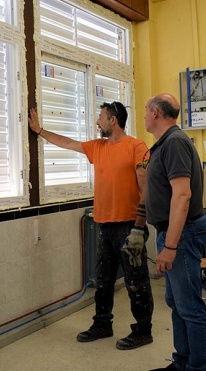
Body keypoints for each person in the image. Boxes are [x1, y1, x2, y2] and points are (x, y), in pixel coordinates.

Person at [28, 101, 154, 350]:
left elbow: (146, 188)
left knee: (136, 282)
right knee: (103, 281)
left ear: (113, 120)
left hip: (129, 226)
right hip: (104, 225)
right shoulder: (97, 147)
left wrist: (139, 228)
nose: (97, 122)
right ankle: (102, 324)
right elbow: (67, 143)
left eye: (101, 117)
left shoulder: (136, 146)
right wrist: (40, 131)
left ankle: (143, 331)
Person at [143, 94, 206, 371]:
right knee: (176, 302)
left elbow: (182, 196)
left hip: (181, 234)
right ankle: (181, 362)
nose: (145, 116)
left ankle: (197, 368)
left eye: (147, 111)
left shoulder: (174, 142)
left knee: (190, 307)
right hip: (172, 233)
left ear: (156, 112)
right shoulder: (165, 143)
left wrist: (170, 246)